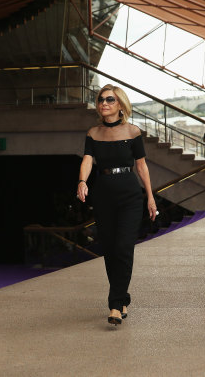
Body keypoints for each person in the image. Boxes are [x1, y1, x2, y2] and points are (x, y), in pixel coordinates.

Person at [77, 84, 157, 325]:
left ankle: (114, 304)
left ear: (120, 105)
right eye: (101, 99)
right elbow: (87, 160)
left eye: (110, 100)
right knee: (110, 249)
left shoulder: (133, 132)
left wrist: (150, 197)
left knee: (123, 247)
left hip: (130, 196)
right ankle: (122, 297)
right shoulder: (93, 133)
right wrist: (82, 181)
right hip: (102, 194)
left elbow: (141, 166)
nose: (104, 103)